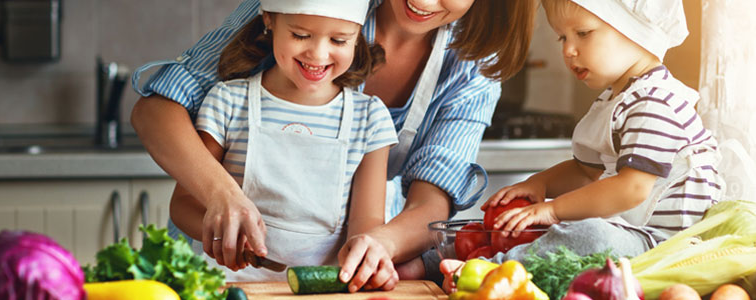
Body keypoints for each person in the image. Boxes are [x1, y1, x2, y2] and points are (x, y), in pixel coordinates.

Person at [130, 0, 536, 291]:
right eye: (303, 36)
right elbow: (156, 110)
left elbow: (429, 203)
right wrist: (222, 197)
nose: (423, 1)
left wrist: (378, 247)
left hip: (330, 268)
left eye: (339, 41)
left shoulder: (473, 63)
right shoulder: (307, 10)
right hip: (212, 264)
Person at [439, 0, 724, 291]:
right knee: (561, 229)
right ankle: (442, 260)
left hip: (662, 245)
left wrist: (553, 210)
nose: (567, 50)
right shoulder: (617, 100)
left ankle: (494, 270)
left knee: (591, 235)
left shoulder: (656, 102)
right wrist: (540, 185)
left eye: (584, 33)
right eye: (562, 37)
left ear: (635, 29)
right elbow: (585, 172)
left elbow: (632, 188)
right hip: (631, 232)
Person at [167, 0, 398, 282]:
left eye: (339, 39)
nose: (318, 53)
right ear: (269, 20)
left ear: (357, 36)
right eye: (300, 35)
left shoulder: (370, 118)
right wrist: (222, 235)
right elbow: (182, 204)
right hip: (228, 285)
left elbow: (367, 227)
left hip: (323, 290)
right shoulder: (227, 101)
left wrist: (366, 259)